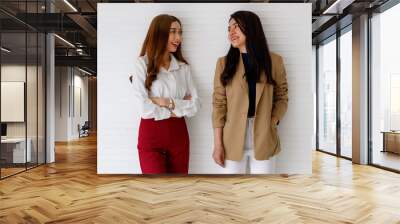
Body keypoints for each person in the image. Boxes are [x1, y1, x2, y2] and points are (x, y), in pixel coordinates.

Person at [212, 11, 288, 174]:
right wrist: (218, 145)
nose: (231, 32)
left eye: (236, 26)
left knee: (263, 192)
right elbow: (218, 105)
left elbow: (282, 97)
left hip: (264, 136)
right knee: (232, 193)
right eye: (229, 28)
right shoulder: (223, 63)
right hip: (231, 138)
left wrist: (273, 121)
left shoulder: (274, 61)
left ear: (252, 29)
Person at [130, 14, 200, 174]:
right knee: (156, 192)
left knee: (178, 190)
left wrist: (165, 102)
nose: (178, 38)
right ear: (159, 33)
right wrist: (178, 110)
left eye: (180, 32)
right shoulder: (142, 64)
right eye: (173, 32)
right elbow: (143, 108)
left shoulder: (183, 68)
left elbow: (196, 105)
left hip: (179, 137)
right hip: (151, 137)